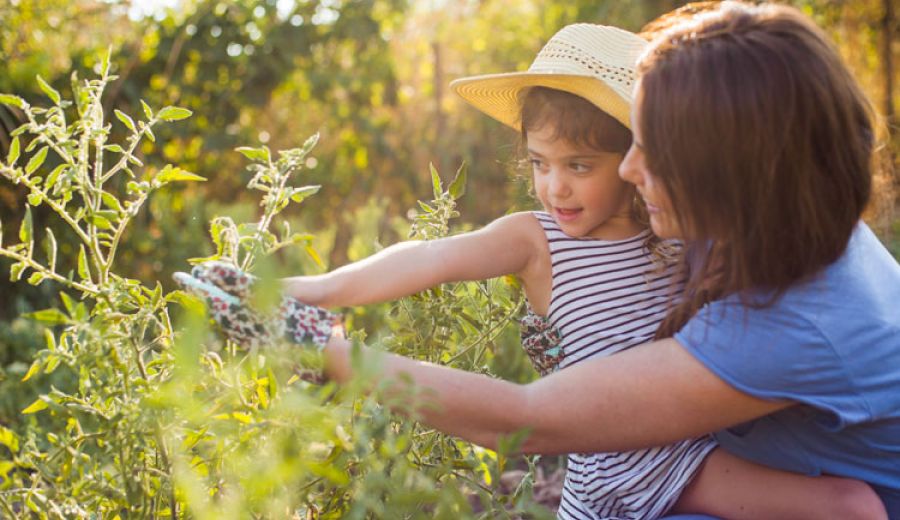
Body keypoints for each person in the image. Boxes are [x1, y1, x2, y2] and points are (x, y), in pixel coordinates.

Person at [176, 6, 897, 518]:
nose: (634, 171)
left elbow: (529, 417)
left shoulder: (798, 319)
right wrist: (306, 288)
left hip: (705, 468)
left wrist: (324, 350)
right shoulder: (785, 219)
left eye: (644, 151)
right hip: (669, 458)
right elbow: (430, 257)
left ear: (727, 171)